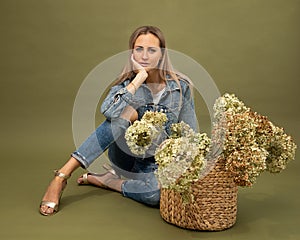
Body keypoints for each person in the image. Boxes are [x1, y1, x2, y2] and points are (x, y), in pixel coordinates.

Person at [39, 26, 197, 216]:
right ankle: (62, 175)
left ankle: (109, 181)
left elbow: (191, 132)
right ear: (132, 52)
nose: (144, 56)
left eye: (152, 50)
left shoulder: (181, 87)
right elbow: (108, 111)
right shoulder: (127, 84)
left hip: (156, 164)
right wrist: (139, 78)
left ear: (162, 54)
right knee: (123, 115)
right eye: (139, 49)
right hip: (125, 157)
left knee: (155, 195)